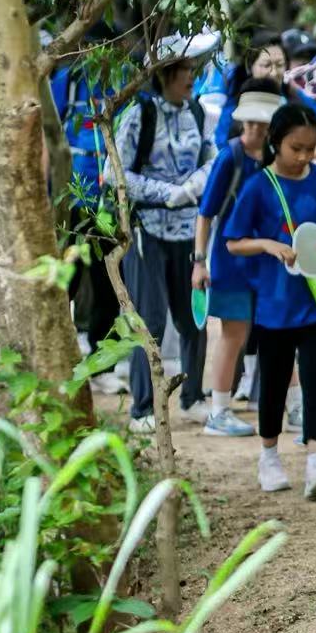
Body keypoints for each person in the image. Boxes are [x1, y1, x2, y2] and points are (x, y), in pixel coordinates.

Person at [223, 103, 316, 500]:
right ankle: (269, 457)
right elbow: (234, 242)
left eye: (311, 148)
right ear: (276, 142)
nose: (304, 156)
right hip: (274, 304)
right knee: (273, 382)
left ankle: (315, 463)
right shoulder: (258, 186)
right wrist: (267, 244)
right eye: (296, 148)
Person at [110, 32, 219, 434]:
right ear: (165, 74)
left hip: (190, 232)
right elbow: (115, 174)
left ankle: (192, 397)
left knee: (194, 317)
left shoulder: (198, 112)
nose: (191, 76)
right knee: (150, 320)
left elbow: (213, 156)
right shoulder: (140, 114)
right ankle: (143, 408)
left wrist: (198, 183)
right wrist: (168, 193)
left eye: (193, 68)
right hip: (148, 230)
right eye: (184, 70)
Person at [191, 81, 285, 439]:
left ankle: (292, 406)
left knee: (279, 329)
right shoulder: (230, 157)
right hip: (231, 261)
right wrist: (199, 262)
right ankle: (219, 410)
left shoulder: (279, 156)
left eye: (262, 123)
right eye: (249, 123)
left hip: (271, 259)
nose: (255, 130)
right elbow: (206, 213)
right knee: (234, 335)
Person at [50, 32, 127, 392]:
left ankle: (102, 364)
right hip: (72, 195)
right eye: (90, 49)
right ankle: (55, 354)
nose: (96, 56)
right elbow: (49, 132)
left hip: (108, 201)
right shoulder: (66, 83)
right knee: (66, 273)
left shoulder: (123, 83)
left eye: (104, 49)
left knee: (106, 280)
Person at [211, 34, 290, 149]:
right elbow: (222, 144)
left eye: (280, 65)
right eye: (266, 65)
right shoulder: (234, 104)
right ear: (250, 66)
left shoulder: (295, 99)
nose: (274, 73)